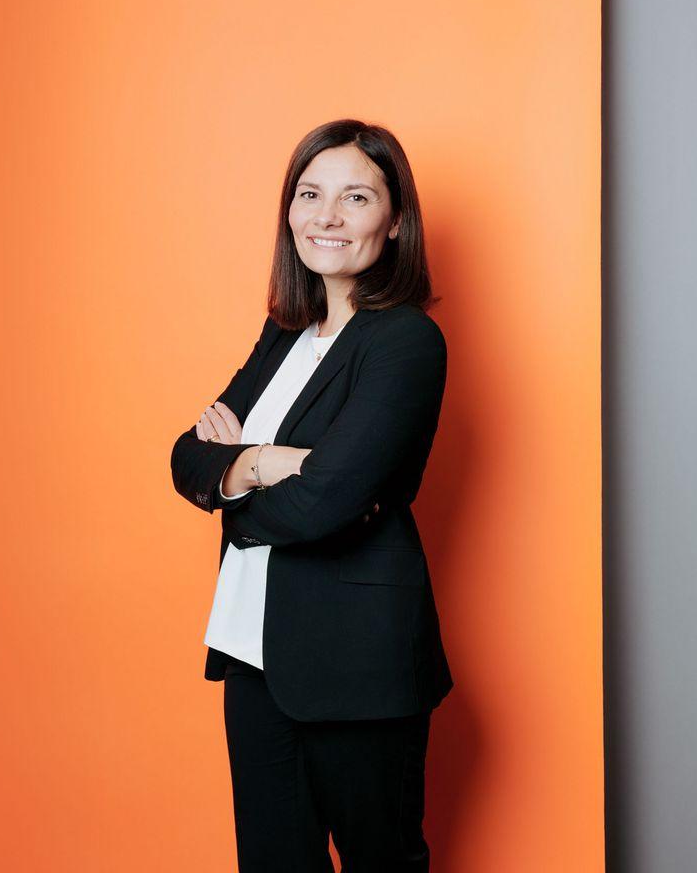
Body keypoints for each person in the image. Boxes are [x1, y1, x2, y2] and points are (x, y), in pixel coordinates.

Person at [170, 119, 452, 873]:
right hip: (252, 648)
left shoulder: (404, 342)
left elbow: (326, 502)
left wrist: (237, 479)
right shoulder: (285, 333)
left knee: (380, 861)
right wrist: (271, 462)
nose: (326, 216)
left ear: (395, 220)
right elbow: (186, 456)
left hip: (357, 661)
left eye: (355, 197)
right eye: (309, 194)